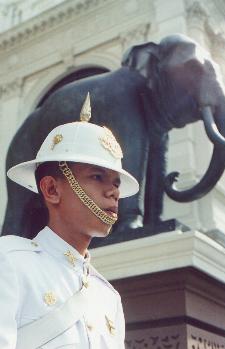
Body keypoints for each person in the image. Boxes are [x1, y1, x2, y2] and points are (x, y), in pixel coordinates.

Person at [0, 93, 139, 349]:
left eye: (116, 183)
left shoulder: (108, 297)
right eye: (98, 177)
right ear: (51, 189)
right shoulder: (9, 260)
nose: (114, 192)